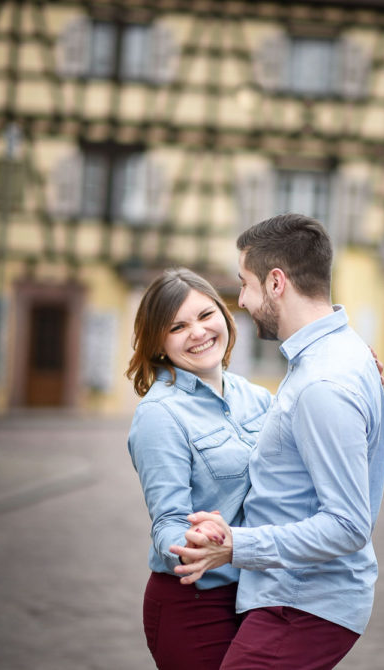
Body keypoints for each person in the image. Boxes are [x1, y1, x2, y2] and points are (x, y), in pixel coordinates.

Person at [169, 213, 384, 670]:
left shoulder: (322, 381)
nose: (242, 300)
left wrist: (236, 547)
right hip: (293, 596)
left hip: (303, 601)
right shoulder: (338, 357)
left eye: (244, 283)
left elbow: (349, 525)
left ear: (276, 282)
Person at [125, 268, 274, 670]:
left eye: (206, 315)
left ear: (225, 317)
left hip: (260, 597)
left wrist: (364, 386)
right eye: (178, 326)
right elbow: (167, 523)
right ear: (158, 342)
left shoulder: (258, 398)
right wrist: (194, 544)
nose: (198, 332)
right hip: (194, 606)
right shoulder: (159, 414)